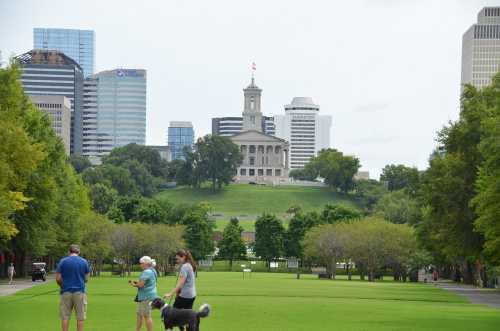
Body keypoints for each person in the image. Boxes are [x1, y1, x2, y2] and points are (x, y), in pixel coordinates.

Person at [56, 245, 90, 331]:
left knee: (65, 317)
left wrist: (62, 285)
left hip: (66, 292)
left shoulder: (63, 261)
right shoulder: (84, 261)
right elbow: (86, 279)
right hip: (80, 292)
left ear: (69, 251)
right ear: (79, 252)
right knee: (80, 317)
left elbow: (58, 278)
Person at [164, 250, 197, 330]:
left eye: (178, 259)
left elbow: (181, 283)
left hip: (185, 295)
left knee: (173, 315)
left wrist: (170, 293)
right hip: (192, 295)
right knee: (188, 316)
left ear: (184, 257)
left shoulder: (185, 267)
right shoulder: (190, 265)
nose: (177, 261)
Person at [130, 256, 158, 331]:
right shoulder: (152, 270)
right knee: (139, 314)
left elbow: (141, 285)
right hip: (146, 296)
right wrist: (138, 283)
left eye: (141, 263)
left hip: (146, 296)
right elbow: (146, 282)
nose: (140, 265)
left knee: (147, 316)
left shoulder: (146, 272)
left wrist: (134, 284)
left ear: (146, 263)